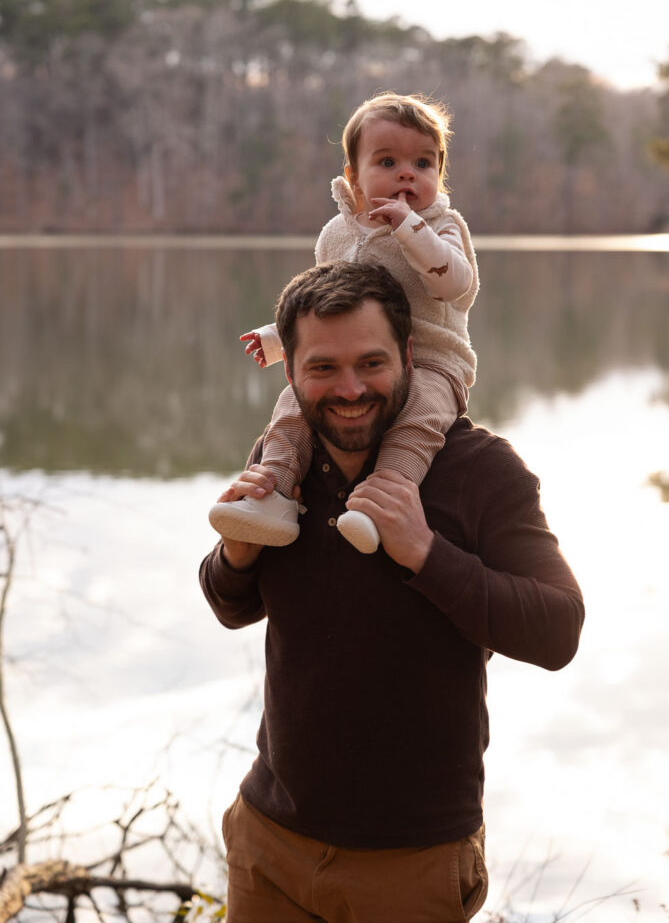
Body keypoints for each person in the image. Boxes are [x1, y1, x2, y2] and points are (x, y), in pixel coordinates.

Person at [200, 261, 585, 923]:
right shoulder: (283, 460)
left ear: (407, 354)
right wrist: (235, 554)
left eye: (370, 363)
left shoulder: (478, 470)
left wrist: (424, 552)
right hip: (270, 843)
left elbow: (556, 631)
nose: (349, 389)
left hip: (411, 860)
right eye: (322, 368)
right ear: (289, 371)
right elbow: (233, 606)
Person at [209, 92, 478, 555]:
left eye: (424, 163)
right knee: (292, 407)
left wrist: (410, 228)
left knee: (418, 419)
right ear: (353, 178)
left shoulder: (441, 225)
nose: (407, 174)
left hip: (435, 362)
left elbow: (454, 284)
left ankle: (381, 503)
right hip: (355, 358)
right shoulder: (336, 234)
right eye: (388, 161)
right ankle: (270, 494)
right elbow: (324, 303)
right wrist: (281, 338)